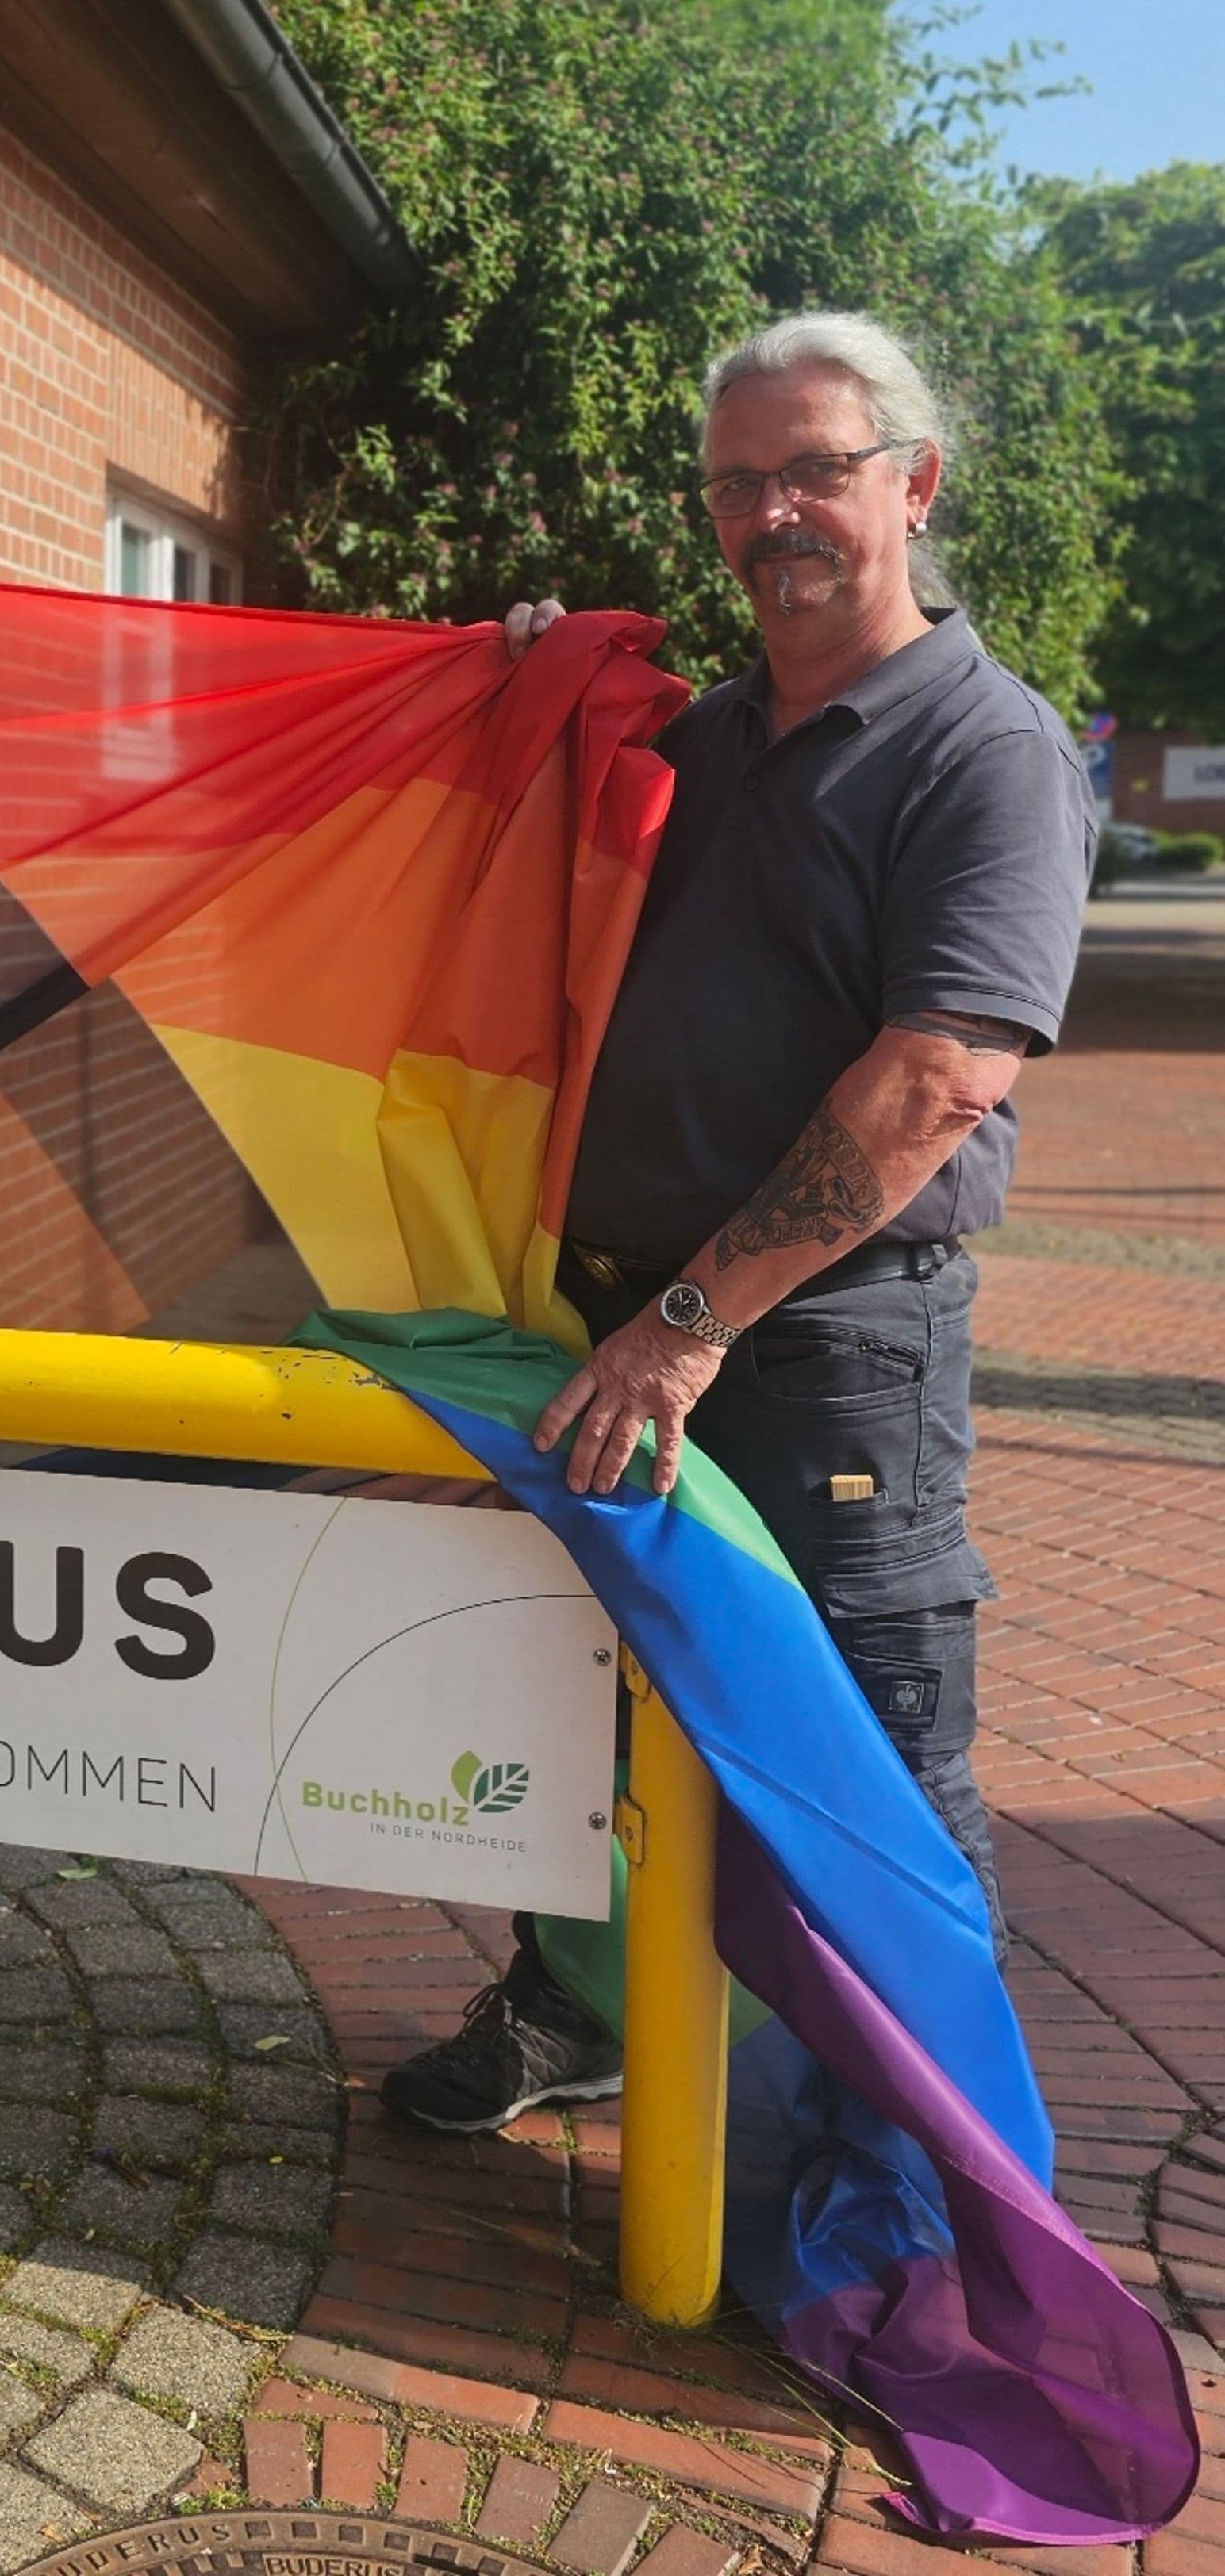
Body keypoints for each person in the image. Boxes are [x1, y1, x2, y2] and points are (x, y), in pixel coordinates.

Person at [382, 312, 1096, 2135]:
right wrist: (523, 700)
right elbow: (510, 882)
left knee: (854, 1763)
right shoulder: (686, 742)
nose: (774, 509)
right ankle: (577, 2005)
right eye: (736, 481)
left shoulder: (983, 749)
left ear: (913, 487)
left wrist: (690, 1320)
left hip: (819, 1354)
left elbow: (940, 1073)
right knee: (596, 1710)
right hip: (611, 1316)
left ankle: (918, 2187)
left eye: (815, 469)